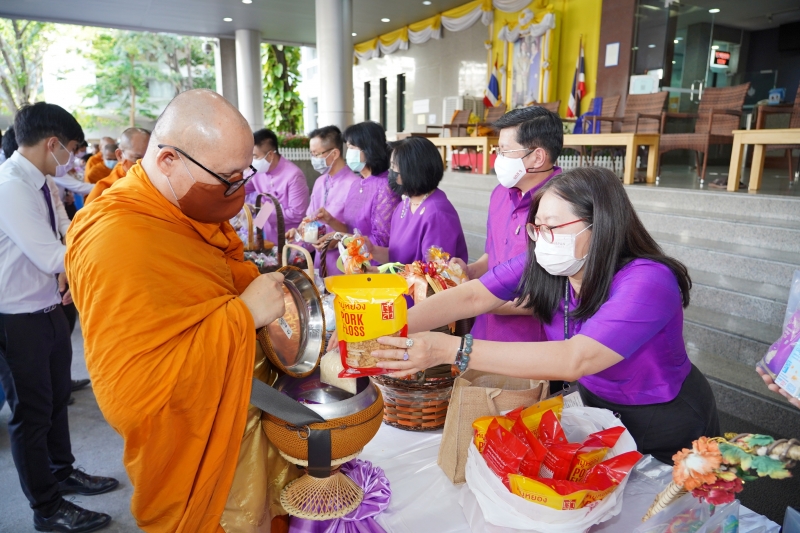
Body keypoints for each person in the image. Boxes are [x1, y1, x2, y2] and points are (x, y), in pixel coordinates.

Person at [371, 167, 721, 465]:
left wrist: (448, 349)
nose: (542, 241)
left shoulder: (648, 280)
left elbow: (576, 358)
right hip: (597, 405)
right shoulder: (546, 260)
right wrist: (383, 328)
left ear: (600, 224)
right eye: (536, 229)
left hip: (663, 416)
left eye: (553, 227)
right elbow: (473, 294)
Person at [65, 89, 296, 532]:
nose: (239, 190)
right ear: (168, 160)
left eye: (243, 174)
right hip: (200, 446)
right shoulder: (119, 240)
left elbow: (218, 276)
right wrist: (243, 318)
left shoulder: (178, 205)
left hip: (247, 413)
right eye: (228, 179)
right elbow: (134, 397)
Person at [0, 102, 117, 533]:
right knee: (30, 414)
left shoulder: (42, 180)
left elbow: (68, 229)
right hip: (16, 317)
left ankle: (62, 471)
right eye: (70, 149)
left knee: (55, 402)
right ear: (52, 143)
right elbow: (52, 255)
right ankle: (46, 507)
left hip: (49, 306)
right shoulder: (10, 186)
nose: (72, 157)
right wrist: (114, 254)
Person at [453, 106, 564, 389]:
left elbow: (559, 296)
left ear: (537, 156)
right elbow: (492, 257)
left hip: (531, 350)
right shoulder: (501, 193)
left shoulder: (562, 205)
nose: (497, 159)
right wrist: (470, 270)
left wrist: (488, 301)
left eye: (504, 151)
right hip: (486, 336)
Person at [367, 136, 468, 265]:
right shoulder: (405, 204)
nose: (390, 172)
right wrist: (372, 250)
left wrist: (379, 273)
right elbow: (396, 257)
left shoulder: (437, 213)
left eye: (394, 166)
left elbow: (434, 275)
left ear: (413, 170)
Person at [314, 121, 400, 269]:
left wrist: (341, 238)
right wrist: (332, 224)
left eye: (352, 148)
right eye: (348, 148)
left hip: (374, 268)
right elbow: (350, 229)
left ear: (369, 149)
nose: (349, 153)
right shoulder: (357, 184)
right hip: (353, 264)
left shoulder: (385, 186)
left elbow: (381, 241)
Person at [286, 125, 359, 275]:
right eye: (311, 153)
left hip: (344, 265)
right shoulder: (320, 181)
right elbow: (311, 220)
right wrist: (299, 233)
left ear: (334, 153)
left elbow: (358, 233)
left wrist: (336, 239)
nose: (313, 159)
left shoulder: (354, 184)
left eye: (316, 154)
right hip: (320, 263)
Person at [244, 128, 310, 245]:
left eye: (255, 156)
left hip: (292, 239)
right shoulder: (257, 171)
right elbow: (239, 188)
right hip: (268, 238)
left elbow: (297, 213)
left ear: (270, 155)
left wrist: (264, 210)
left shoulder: (294, 175)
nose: (252, 161)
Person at [85, 128, 150, 204]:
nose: (145, 164)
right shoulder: (104, 189)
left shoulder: (157, 181)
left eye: (149, 158)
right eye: (137, 158)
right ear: (120, 155)